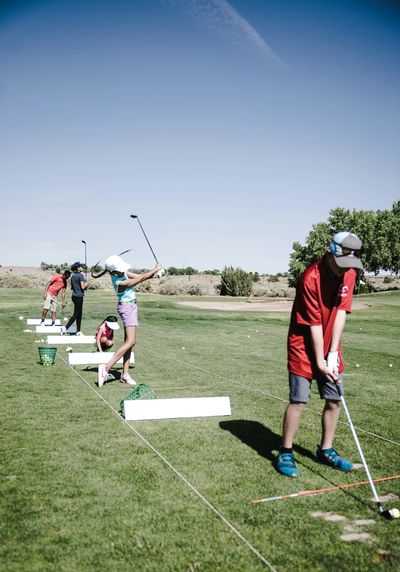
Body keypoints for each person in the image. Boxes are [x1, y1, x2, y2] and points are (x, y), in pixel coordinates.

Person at [277, 231, 363, 478]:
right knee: (299, 400)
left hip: (328, 342)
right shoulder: (310, 277)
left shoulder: (349, 273)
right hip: (302, 345)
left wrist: (333, 353)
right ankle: (285, 451)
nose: (344, 268)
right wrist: (318, 361)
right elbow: (314, 323)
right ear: (330, 252)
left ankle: (325, 450)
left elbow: (340, 313)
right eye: (342, 262)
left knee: (334, 399)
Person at [91, 254, 163, 386]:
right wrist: (155, 268)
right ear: (113, 270)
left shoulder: (120, 272)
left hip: (130, 307)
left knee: (129, 343)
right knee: (131, 341)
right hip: (127, 308)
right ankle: (105, 369)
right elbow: (140, 278)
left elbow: (138, 276)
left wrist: (157, 275)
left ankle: (124, 375)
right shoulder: (119, 283)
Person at [62, 262, 87, 335]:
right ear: (78, 268)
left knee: (79, 314)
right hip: (79, 297)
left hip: (74, 296)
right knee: (76, 314)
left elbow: (72, 287)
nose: (81, 267)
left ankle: (78, 331)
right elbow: (83, 287)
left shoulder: (73, 276)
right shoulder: (81, 276)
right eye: (80, 266)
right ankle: (65, 328)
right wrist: (86, 284)